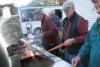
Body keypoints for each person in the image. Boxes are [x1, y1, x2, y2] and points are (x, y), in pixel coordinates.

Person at [72, 0, 100, 67]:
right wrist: (79, 56)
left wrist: (74, 40)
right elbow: (88, 44)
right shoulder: (96, 25)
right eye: (96, 7)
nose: (97, 11)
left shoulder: (80, 20)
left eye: (99, 6)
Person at [62, 0, 88, 64]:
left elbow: (86, 37)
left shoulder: (80, 20)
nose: (66, 12)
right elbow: (65, 34)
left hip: (76, 54)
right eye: (65, 11)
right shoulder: (66, 20)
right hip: (67, 51)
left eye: (67, 10)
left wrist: (73, 40)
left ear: (73, 8)